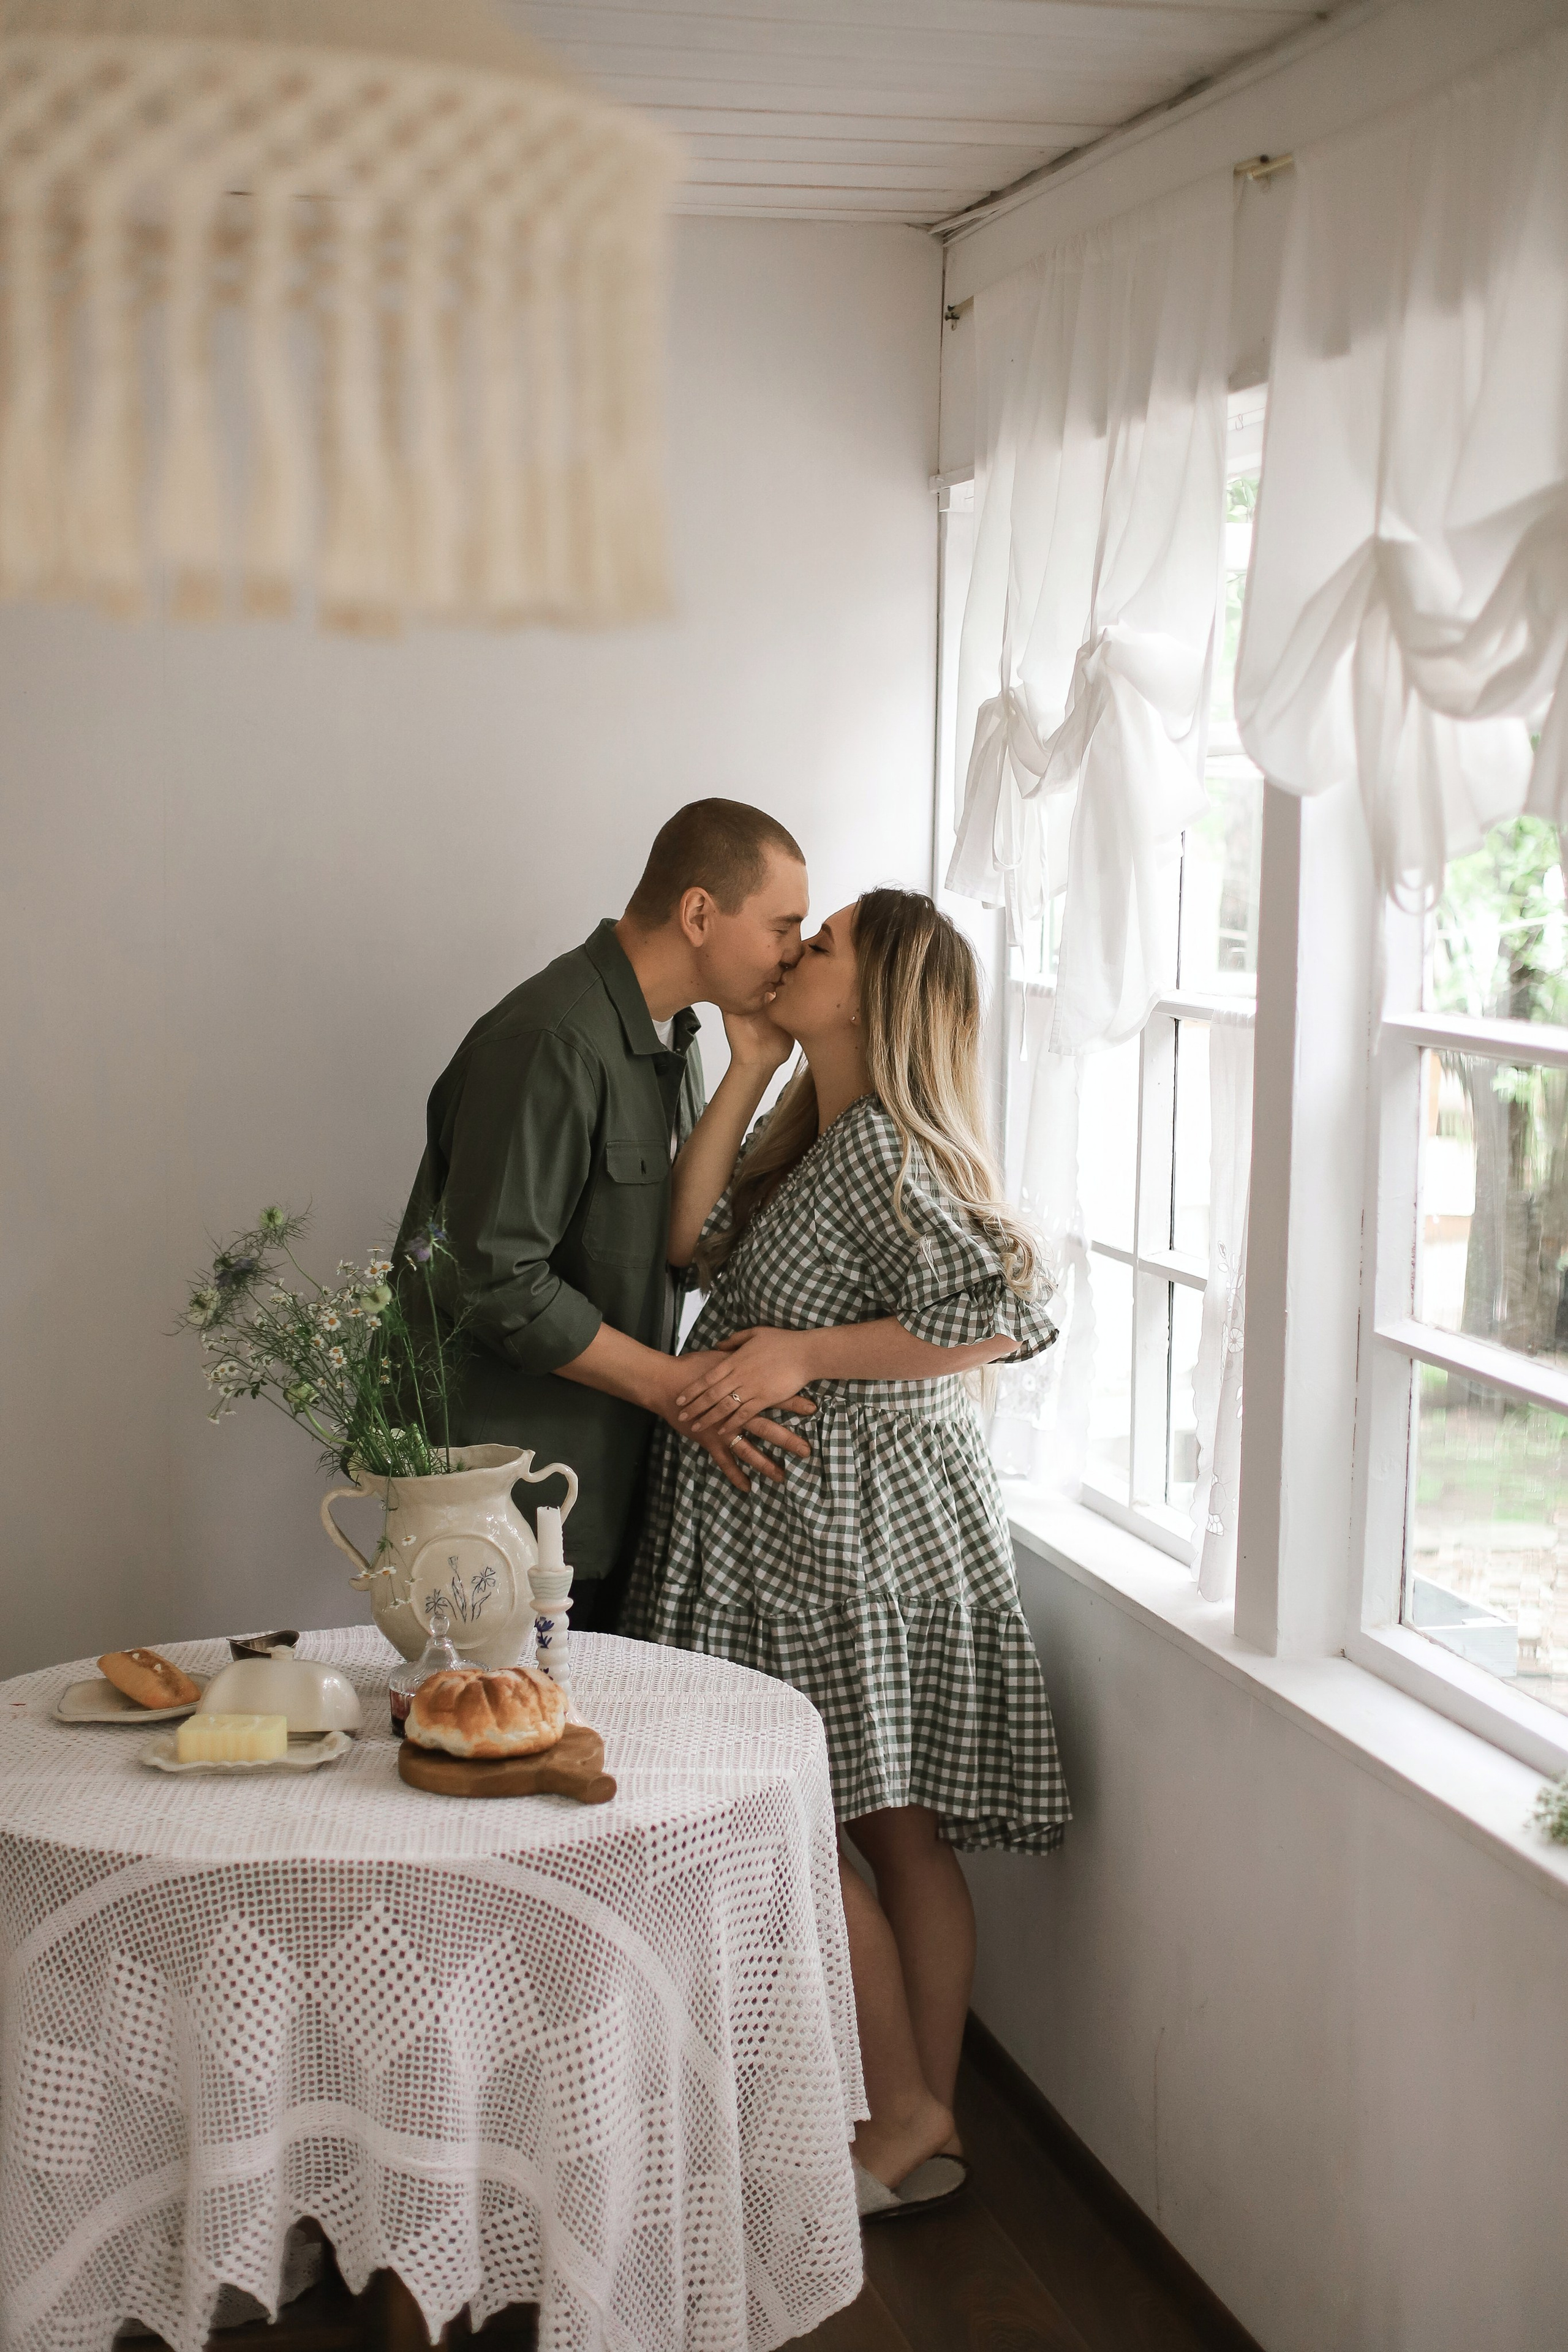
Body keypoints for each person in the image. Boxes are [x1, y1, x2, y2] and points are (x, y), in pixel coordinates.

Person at [624, 886, 1071, 2216]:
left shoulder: (888, 1154)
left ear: (876, 998)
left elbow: (1014, 1308)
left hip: (851, 1537)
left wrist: (804, 1356)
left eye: (819, 947)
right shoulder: (813, 1128)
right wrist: (752, 1063)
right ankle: (918, 2125)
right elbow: (686, 1243)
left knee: (832, 1827)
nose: (792, 950)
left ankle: (912, 2108)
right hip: (805, 1532)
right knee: (883, 1832)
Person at [394, 799, 818, 1631]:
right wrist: (677, 1388)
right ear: (699, 913)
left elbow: (671, 1241)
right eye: (783, 924)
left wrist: (753, 1068)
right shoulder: (553, 1039)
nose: (795, 951)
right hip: (500, 1506)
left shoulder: (672, 1040)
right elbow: (493, 1280)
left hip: (590, 1498)